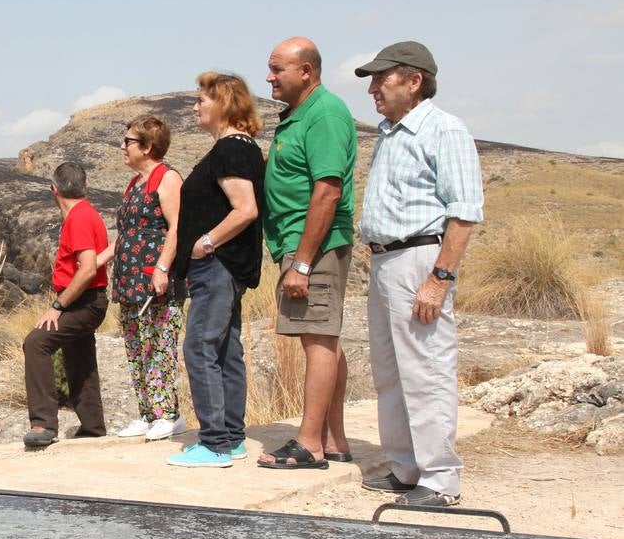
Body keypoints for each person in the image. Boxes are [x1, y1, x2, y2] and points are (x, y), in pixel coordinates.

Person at [354, 41, 483, 507]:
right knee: (390, 370)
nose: (372, 88)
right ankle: (406, 467)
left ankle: (441, 479)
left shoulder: (443, 130)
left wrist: (439, 278)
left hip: (418, 259)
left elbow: (463, 213)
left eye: (381, 78)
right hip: (386, 260)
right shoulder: (392, 134)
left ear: (413, 80)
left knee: (425, 368)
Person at [257, 37, 357, 470]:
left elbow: (327, 191)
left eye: (278, 69)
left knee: (317, 338)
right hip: (300, 244)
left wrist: (301, 261)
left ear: (307, 71)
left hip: (312, 246)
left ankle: (310, 442)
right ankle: (332, 438)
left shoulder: (326, 113)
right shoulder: (300, 115)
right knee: (323, 338)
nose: (269, 77)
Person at [167, 73, 266, 467]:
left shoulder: (230, 149)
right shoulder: (236, 148)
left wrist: (206, 243)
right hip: (224, 266)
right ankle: (231, 437)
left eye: (201, 100)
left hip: (218, 266)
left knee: (200, 346)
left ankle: (215, 442)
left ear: (223, 103)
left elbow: (245, 209)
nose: (195, 106)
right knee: (226, 349)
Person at [97, 116, 186, 442]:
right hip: (129, 282)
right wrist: (99, 260)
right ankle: (148, 413)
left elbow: (177, 227)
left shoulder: (167, 178)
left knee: (159, 346)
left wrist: (162, 268)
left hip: (155, 280)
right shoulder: (134, 183)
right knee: (136, 348)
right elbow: (126, 235)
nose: (123, 146)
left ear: (147, 147)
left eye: (129, 141)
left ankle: (169, 415)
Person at [21, 162, 110, 449]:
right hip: (86, 299)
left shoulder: (79, 218)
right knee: (79, 357)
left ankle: (43, 424)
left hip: (84, 302)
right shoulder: (86, 214)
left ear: (54, 190)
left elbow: (85, 270)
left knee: (36, 343)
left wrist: (58, 306)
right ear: (84, 186)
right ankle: (93, 426)